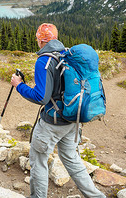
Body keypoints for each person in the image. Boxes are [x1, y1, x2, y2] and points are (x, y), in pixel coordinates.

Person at [11, 23, 105, 198]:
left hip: (52, 123)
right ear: (55, 37)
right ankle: (96, 196)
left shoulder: (43, 61)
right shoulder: (66, 54)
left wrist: (19, 85)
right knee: (71, 159)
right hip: (72, 119)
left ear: (40, 40)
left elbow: (41, 97)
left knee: (38, 161)